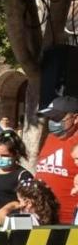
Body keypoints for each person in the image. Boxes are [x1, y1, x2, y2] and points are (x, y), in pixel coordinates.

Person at [34, 95, 78, 224]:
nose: (52, 122)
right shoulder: (50, 138)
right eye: (51, 118)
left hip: (68, 223)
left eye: (57, 118)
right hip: (41, 218)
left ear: (75, 118)